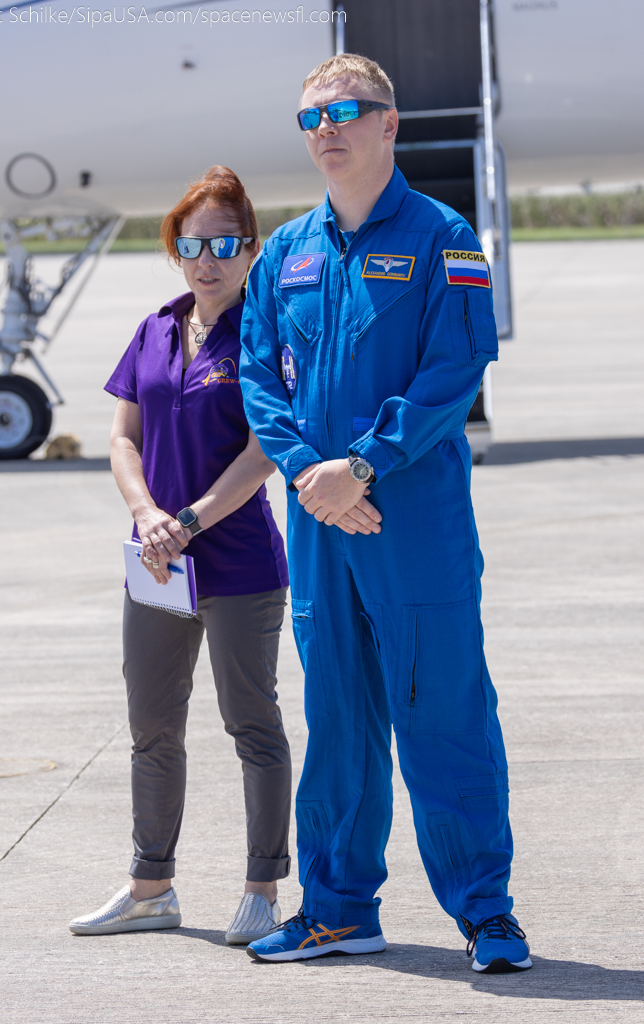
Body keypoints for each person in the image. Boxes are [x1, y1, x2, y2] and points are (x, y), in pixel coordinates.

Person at [239, 55, 532, 973]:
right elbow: (258, 379)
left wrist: (361, 465)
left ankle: (486, 913)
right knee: (337, 718)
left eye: (344, 111)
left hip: (414, 519)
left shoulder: (445, 238)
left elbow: (455, 372)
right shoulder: (286, 254)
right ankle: (336, 908)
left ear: (387, 123)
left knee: (442, 710)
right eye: (309, 117)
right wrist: (309, 476)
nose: (326, 128)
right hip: (323, 523)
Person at [69, 166, 292, 945]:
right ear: (175, 248)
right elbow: (122, 437)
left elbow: (266, 449)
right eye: (192, 243)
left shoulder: (265, 334)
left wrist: (188, 519)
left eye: (225, 243)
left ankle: (262, 888)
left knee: (250, 725)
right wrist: (147, 515)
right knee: (152, 727)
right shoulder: (155, 329)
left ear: (250, 248)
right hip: (156, 563)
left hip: (236, 565)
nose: (208, 259)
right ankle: (149, 887)